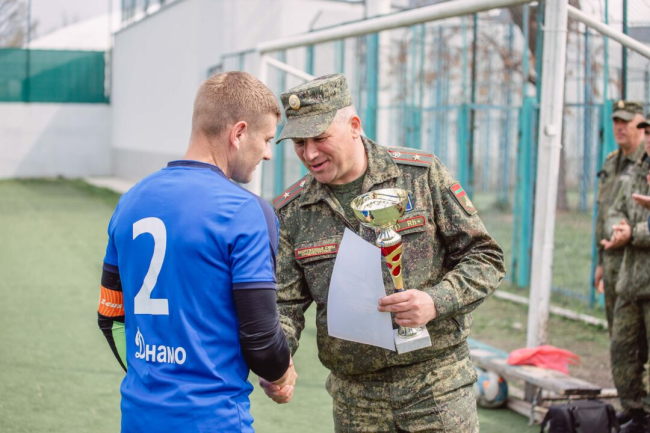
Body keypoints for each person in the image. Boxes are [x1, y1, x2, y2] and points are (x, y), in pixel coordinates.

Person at [264, 73, 505, 432]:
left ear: (354, 126)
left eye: (320, 138)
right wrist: (276, 360)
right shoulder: (293, 210)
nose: (309, 153)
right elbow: (284, 304)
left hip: (436, 383)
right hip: (356, 398)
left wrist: (435, 301)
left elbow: (486, 257)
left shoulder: (420, 176)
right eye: (299, 142)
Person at [97, 71, 296, 433]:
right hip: (213, 419)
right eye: (267, 139)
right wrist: (281, 372)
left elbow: (110, 315)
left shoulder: (130, 202)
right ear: (239, 133)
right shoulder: (246, 211)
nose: (268, 153)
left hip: (138, 416)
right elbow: (262, 341)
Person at [602, 112, 650, 433]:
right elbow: (615, 209)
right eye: (648, 132)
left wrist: (635, 233)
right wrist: (618, 229)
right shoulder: (637, 170)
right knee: (622, 350)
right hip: (631, 279)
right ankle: (636, 412)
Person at [594, 101, 645, 333]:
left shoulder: (644, 162)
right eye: (616, 121)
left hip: (636, 259)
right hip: (612, 258)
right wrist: (600, 262)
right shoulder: (611, 162)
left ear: (640, 125)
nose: (619, 127)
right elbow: (603, 214)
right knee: (617, 334)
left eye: (626, 121)